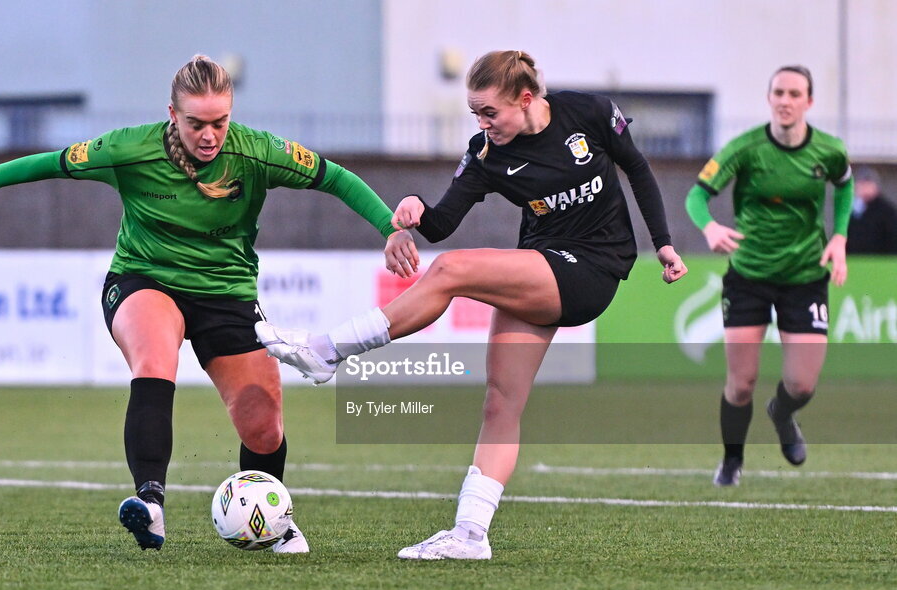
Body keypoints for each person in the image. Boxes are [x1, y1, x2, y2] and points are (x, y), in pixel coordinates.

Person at [0, 54, 415, 553]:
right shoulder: (129, 148)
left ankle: (271, 516)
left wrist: (390, 227)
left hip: (226, 292)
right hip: (144, 278)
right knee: (154, 359)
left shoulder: (258, 152)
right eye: (196, 123)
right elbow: (54, 162)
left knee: (263, 421)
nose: (210, 135)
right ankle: (150, 504)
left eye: (220, 122)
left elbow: (335, 177)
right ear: (173, 114)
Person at [256, 50, 687, 560]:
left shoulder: (588, 113)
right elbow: (442, 225)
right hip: (545, 264)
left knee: (451, 271)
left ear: (526, 100)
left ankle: (327, 350)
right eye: (475, 114)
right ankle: (469, 535)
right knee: (500, 402)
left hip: (596, 267)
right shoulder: (487, 153)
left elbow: (636, 168)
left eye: (490, 113)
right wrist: (415, 211)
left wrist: (662, 242)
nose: (483, 124)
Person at [684, 65, 853, 487]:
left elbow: (845, 185)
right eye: (778, 92)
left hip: (805, 275)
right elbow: (696, 195)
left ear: (808, 102)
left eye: (795, 93)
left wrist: (840, 237)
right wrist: (709, 226)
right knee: (740, 385)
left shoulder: (829, 150)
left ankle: (783, 413)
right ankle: (732, 460)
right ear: (769, 98)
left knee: (802, 384)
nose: (785, 100)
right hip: (749, 275)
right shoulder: (744, 148)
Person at [847, 166, 897, 254]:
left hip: (881, 259)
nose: (864, 188)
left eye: (868, 184)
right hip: (855, 259)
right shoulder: (853, 210)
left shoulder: (886, 211)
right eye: (861, 184)